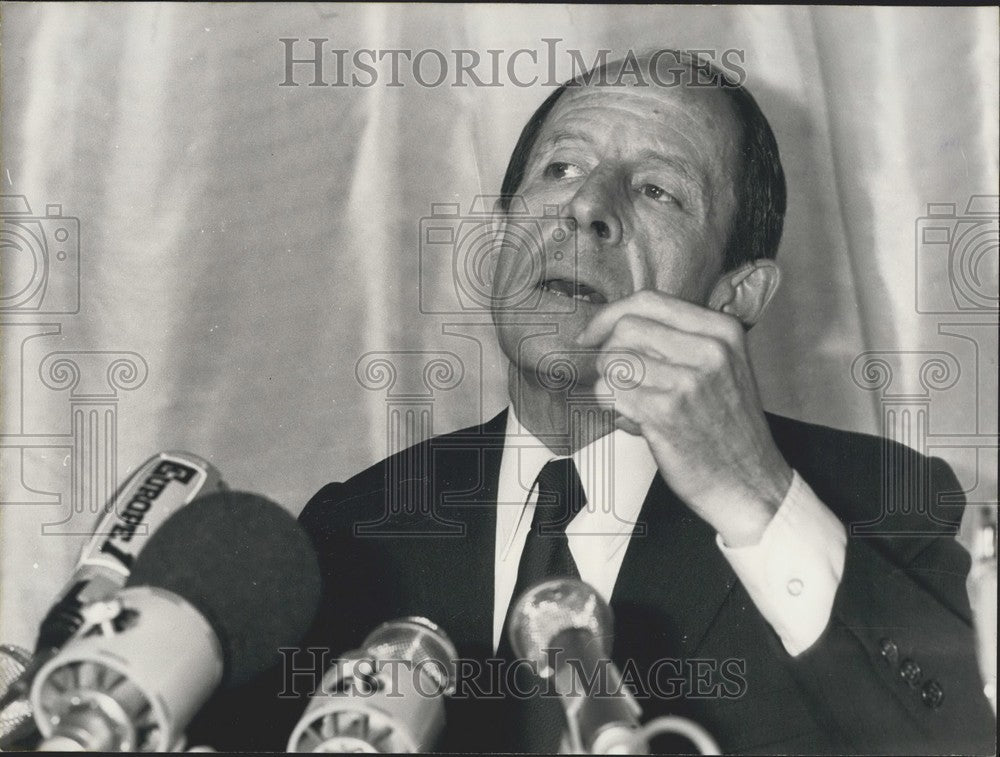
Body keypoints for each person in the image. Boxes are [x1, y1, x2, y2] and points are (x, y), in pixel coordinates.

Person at [190, 51, 996, 754]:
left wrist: (754, 495)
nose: (586, 207)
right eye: (561, 169)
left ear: (736, 293)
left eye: (658, 190)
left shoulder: (881, 505)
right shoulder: (349, 532)